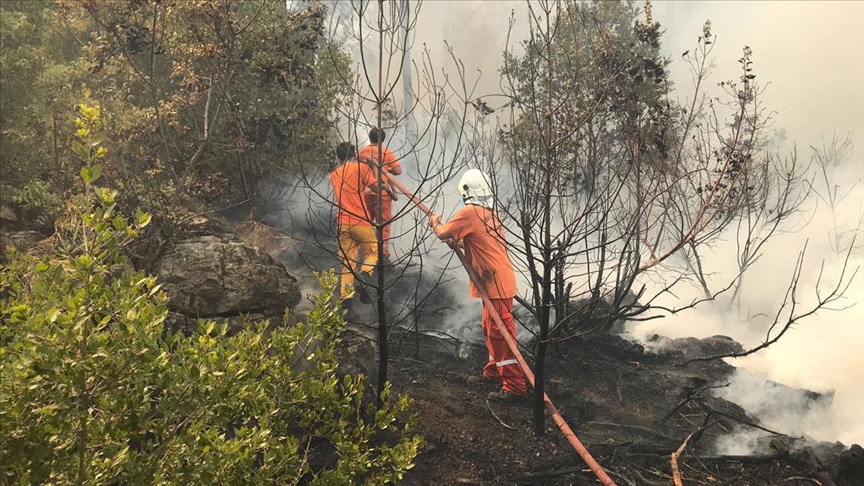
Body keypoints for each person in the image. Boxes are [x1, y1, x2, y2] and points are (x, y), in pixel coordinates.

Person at [428, 169, 528, 403]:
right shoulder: (490, 214)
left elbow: (443, 233)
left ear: (467, 191)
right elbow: (481, 243)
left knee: (501, 334)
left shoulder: (470, 212)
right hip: (496, 281)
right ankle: (494, 372)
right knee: (489, 327)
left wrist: (435, 223)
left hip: (496, 283)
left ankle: (514, 385)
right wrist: (458, 242)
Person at [329, 141, 380, 305]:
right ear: (354, 155)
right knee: (373, 252)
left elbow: (355, 192)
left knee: (348, 264)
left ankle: (346, 301)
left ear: (338, 158)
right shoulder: (361, 168)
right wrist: (374, 167)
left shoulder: (334, 175)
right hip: (360, 221)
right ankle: (364, 275)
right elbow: (377, 188)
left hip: (343, 224)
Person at [359, 128, 401, 261]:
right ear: (383, 139)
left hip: (365, 192)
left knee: (366, 222)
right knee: (384, 224)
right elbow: (398, 171)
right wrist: (387, 169)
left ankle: (364, 251)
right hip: (382, 193)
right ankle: (383, 253)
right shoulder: (387, 152)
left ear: (370, 138)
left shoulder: (362, 152)